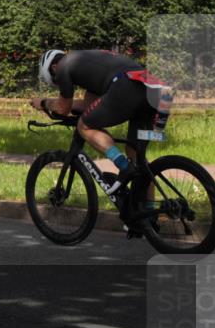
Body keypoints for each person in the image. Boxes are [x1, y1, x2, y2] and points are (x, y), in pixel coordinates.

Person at [32, 48, 171, 213]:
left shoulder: (63, 67)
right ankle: (148, 213)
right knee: (136, 154)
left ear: (53, 68)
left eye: (55, 80)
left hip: (125, 86)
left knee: (84, 126)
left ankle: (123, 167)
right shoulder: (88, 64)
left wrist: (44, 103)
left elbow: (63, 109)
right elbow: (87, 106)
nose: (59, 82)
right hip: (155, 91)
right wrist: (55, 102)